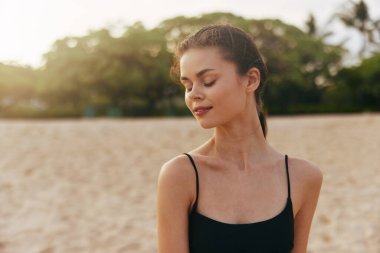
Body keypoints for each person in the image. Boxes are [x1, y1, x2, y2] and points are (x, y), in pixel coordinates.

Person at [156, 23, 323, 253]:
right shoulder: (180, 175)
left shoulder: (304, 177)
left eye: (208, 81)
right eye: (187, 85)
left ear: (251, 80)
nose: (193, 94)